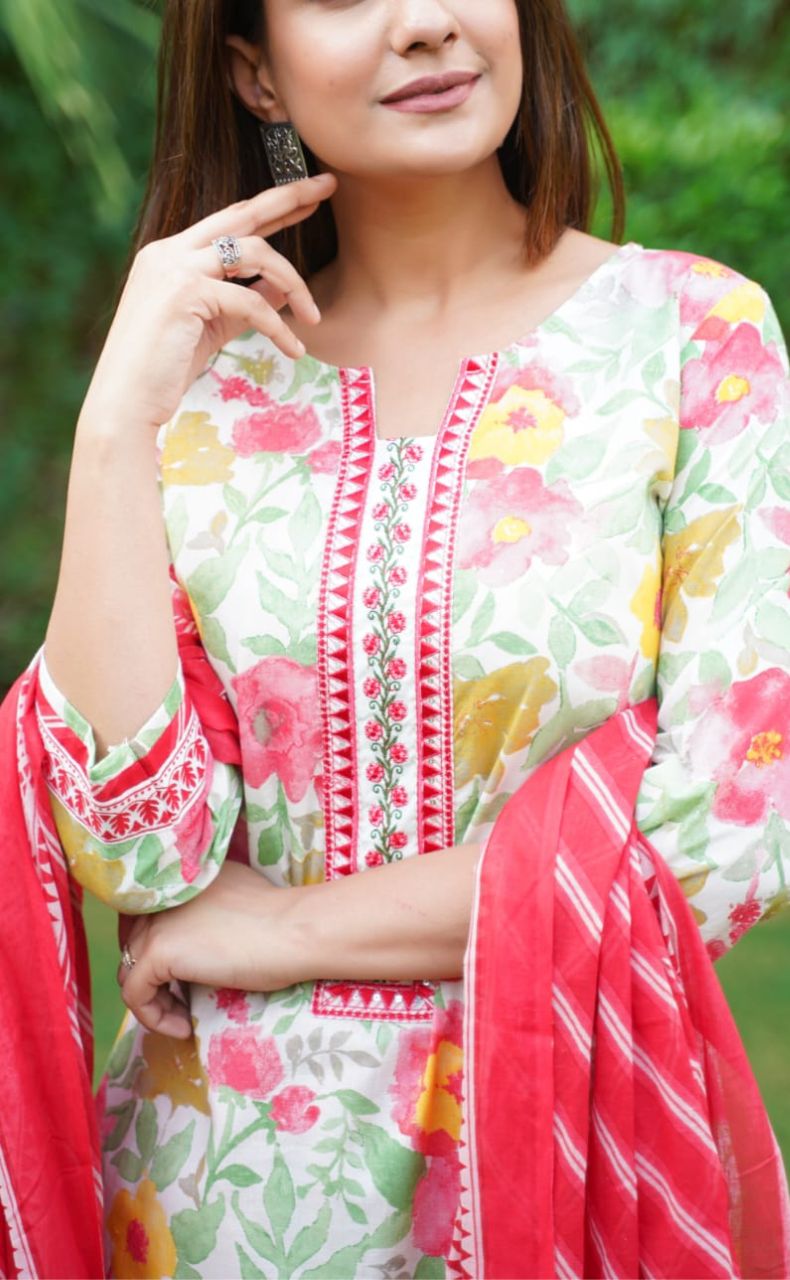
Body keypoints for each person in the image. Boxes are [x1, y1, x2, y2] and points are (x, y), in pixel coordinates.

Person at [6, 0, 790, 1275]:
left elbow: (720, 837)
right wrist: (113, 427)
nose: (425, 22)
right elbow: (140, 849)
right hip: (216, 1205)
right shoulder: (205, 393)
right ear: (256, 76)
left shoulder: (693, 342)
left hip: (572, 1151)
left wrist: (278, 931)